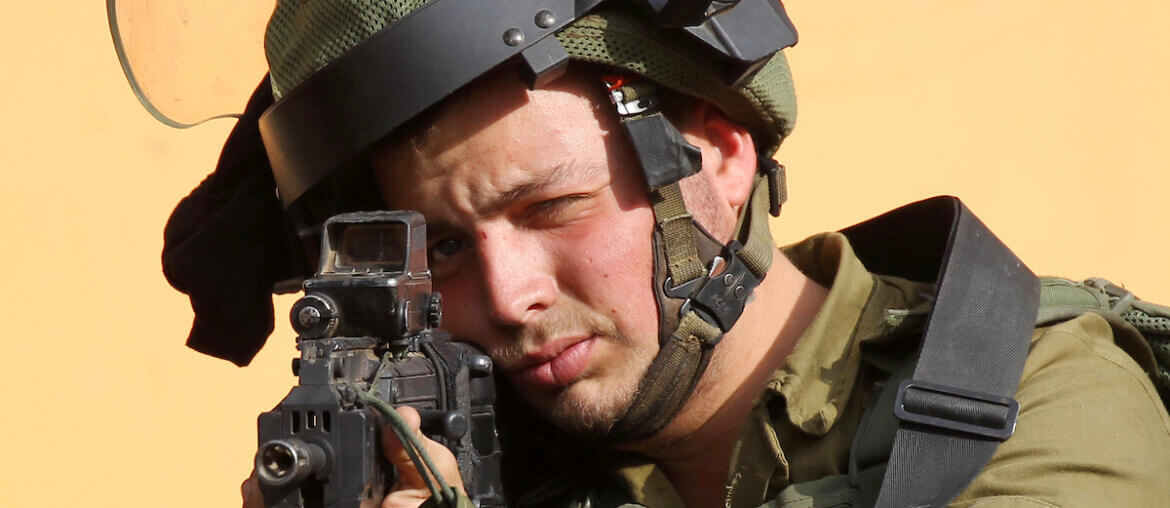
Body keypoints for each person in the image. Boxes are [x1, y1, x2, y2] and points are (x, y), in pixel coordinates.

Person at [159, 1, 1170, 507]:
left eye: (552, 206)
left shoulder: (1030, 398)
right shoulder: (483, 461)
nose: (507, 297)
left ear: (719, 156)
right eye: (448, 247)